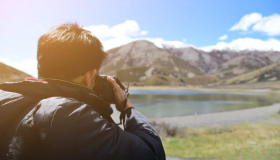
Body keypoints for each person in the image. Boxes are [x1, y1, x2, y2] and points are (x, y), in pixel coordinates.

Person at [0, 23, 165, 160]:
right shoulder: (71, 115)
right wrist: (126, 108)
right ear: (90, 76)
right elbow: (152, 153)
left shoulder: (6, 97)